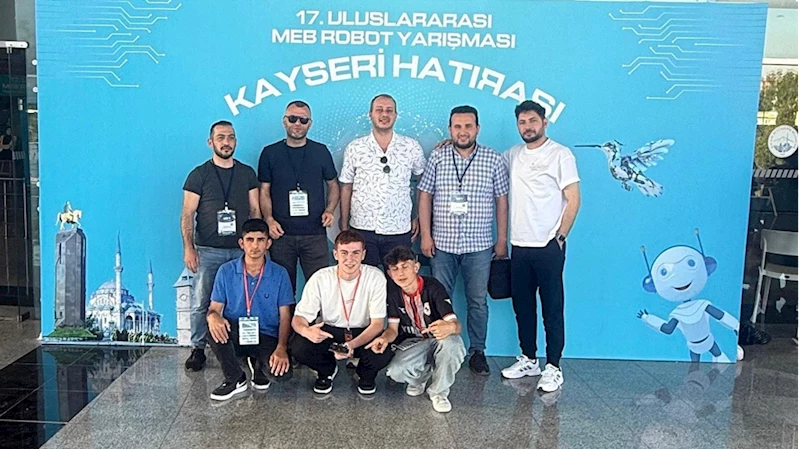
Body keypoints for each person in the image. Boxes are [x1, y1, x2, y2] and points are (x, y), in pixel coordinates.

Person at [418, 105, 509, 376]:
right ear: (450, 129)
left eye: (468, 126)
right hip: (442, 244)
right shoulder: (438, 156)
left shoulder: (493, 159)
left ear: (477, 129)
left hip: (479, 245)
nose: (463, 131)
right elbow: (425, 195)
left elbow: (501, 200)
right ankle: (438, 349)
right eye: (457, 126)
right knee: (438, 299)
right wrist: (426, 235)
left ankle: (477, 352)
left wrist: (501, 239)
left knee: (477, 301)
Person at [500, 101, 581, 393]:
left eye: (533, 121)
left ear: (544, 122)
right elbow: (482, 160)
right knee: (522, 307)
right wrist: (450, 144)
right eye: (522, 122)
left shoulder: (560, 154)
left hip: (548, 245)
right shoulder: (512, 155)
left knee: (552, 307)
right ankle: (529, 359)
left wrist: (560, 237)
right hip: (519, 245)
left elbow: (573, 198)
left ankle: (554, 366)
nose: (528, 127)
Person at [181, 120, 261, 372]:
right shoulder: (198, 175)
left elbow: (255, 210)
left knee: (245, 300)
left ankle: (243, 347)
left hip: (242, 251)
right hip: (208, 250)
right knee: (202, 301)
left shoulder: (247, 173)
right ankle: (198, 349)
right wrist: (188, 248)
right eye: (221, 137)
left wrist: (257, 246)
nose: (226, 142)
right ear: (210, 142)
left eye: (231, 137)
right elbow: (187, 214)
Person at [291, 230, 392, 395]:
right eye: (344, 253)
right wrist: (307, 331)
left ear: (363, 254)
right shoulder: (320, 277)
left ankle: (365, 374)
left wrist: (350, 345)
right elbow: (298, 318)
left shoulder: (375, 277)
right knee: (299, 347)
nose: (350, 259)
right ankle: (326, 371)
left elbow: (377, 324)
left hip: (363, 332)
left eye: (355, 253)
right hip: (331, 332)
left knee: (383, 351)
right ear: (335, 254)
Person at [368, 246, 466, 413]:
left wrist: (449, 327)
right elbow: (393, 329)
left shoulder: (433, 286)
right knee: (394, 372)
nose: (400, 273)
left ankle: (439, 393)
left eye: (405, 266)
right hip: (413, 342)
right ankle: (421, 378)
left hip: (438, 339)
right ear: (389, 273)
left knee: (453, 345)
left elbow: (456, 326)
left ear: (416, 267)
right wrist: (384, 338)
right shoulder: (392, 294)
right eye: (395, 269)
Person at [206, 219, 294, 400]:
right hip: (236, 333)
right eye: (250, 240)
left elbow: (285, 317)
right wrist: (212, 317)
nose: (255, 246)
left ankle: (259, 364)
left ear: (268, 243)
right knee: (213, 329)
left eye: (261, 240)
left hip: (267, 335)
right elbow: (214, 309)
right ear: (241, 243)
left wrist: (281, 348)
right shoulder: (226, 271)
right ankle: (235, 379)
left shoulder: (280, 273)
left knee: (281, 375)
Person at [258, 101, 339, 294]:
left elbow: (333, 185)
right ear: (284, 121)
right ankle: (287, 317)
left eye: (303, 120)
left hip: (315, 234)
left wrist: (330, 210)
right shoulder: (270, 153)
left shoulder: (320, 151)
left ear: (310, 123)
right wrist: (268, 219)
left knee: (321, 290)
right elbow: (264, 191)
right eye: (293, 118)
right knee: (282, 292)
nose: (297, 124)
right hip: (281, 235)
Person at [339, 94, 426, 267]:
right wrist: (343, 225)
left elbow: (423, 183)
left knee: (398, 279)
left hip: (399, 228)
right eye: (379, 110)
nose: (384, 114)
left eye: (389, 110)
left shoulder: (411, 146)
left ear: (396, 115)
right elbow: (346, 187)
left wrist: (417, 215)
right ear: (370, 114)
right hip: (362, 227)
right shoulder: (355, 148)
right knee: (365, 280)